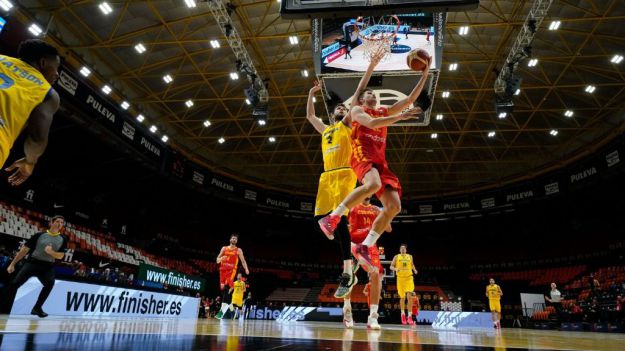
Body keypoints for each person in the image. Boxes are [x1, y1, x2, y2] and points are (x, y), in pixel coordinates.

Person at [318, 60, 432, 270]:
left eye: (375, 95)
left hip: (380, 162)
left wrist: (424, 75)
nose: (374, 95)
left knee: (394, 206)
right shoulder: (357, 112)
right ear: (361, 99)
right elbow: (372, 124)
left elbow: (409, 99)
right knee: (372, 185)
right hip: (362, 155)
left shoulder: (383, 111)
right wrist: (401, 117)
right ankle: (332, 218)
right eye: (369, 94)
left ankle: (366, 246)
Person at [307, 49, 386, 299]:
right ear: (334, 113)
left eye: (345, 107)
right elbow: (310, 115)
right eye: (340, 107)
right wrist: (311, 93)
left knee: (337, 220)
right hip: (326, 176)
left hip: (343, 173)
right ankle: (346, 261)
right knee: (320, 217)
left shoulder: (346, 125)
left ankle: (347, 271)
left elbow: (359, 91)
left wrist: (370, 68)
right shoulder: (326, 129)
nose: (343, 108)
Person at [1, 39, 61, 186]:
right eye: (56, 67)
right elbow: (37, 139)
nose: (57, 74)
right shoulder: (47, 93)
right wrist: (30, 161)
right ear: (43, 62)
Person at [2, 215, 67, 317]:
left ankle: (37, 308)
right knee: (14, 284)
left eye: (62, 223)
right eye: (58, 221)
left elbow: (61, 256)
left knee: (50, 283)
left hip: (47, 266)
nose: (60, 224)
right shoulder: (39, 235)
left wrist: (51, 252)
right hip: (32, 263)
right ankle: (2, 306)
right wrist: (12, 264)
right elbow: (24, 250)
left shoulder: (63, 239)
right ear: (52, 222)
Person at [341, 197, 390, 329]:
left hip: (370, 246)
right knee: (349, 275)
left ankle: (373, 317)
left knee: (375, 275)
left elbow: (388, 228)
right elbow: (340, 224)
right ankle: (347, 310)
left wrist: (386, 212)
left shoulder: (376, 209)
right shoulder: (352, 206)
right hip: (353, 244)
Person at [215, 234, 249, 319]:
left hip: (231, 271)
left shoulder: (238, 250)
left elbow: (243, 261)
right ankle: (231, 308)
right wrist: (221, 259)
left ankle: (221, 312)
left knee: (226, 289)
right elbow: (217, 260)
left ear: (236, 241)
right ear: (230, 239)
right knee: (224, 292)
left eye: (235, 239)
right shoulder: (224, 248)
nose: (234, 240)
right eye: (233, 238)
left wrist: (246, 269)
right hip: (222, 271)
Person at [390, 244, 418, 325]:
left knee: (410, 297)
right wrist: (395, 269)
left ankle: (409, 316)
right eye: (401, 248)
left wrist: (415, 270)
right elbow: (391, 266)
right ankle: (402, 314)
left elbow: (412, 265)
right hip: (400, 279)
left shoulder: (410, 256)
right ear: (399, 250)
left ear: (406, 250)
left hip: (409, 278)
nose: (402, 249)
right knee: (402, 297)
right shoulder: (396, 257)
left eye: (404, 248)